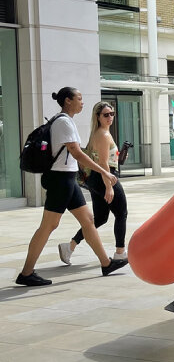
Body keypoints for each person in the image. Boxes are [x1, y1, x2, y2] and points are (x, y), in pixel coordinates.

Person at [16, 87, 129, 286]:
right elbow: (77, 153)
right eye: (79, 98)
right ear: (68, 101)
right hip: (61, 180)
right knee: (48, 226)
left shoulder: (65, 121)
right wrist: (104, 172)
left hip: (68, 179)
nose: (82, 102)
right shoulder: (64, 122)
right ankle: (26, 273)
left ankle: (106, 263)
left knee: (88, 220)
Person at [59, 101, 128, 266]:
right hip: (106, 178)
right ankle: (120, 253)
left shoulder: (98, 133)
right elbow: (104, 164)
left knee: (100, 218)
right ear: (97, 117)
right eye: (105, 115)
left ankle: (70, 246)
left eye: (112, 114)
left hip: (96, 180)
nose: (110, 117)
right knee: (121, 213)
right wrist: (109, 187)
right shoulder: (103, 135)